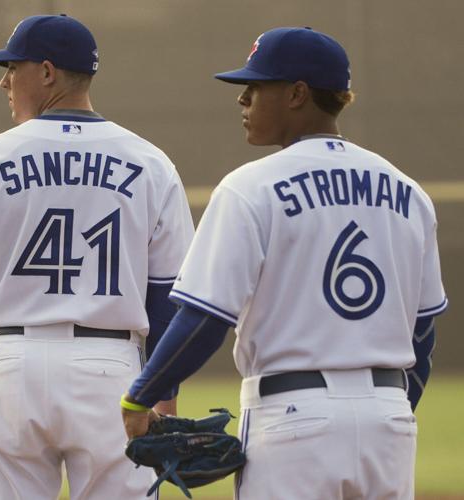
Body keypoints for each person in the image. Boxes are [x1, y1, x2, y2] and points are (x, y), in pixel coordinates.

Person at [121, 27, 448, 499]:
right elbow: (423, 331)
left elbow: (205, 318)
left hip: (293, 419)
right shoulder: (409, 192)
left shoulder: (250, 186)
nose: (243, 100)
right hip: (389, 420)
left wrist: (141, 395)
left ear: (297, 94)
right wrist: (385, 408)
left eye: (256, 87)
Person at [0, 14, 194, 500]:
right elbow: (165, 296)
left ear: (47, 72)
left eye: (13, 67)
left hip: (12, 370)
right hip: (112, 371)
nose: (4, 80)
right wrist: (163, 397)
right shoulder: (151, 163)